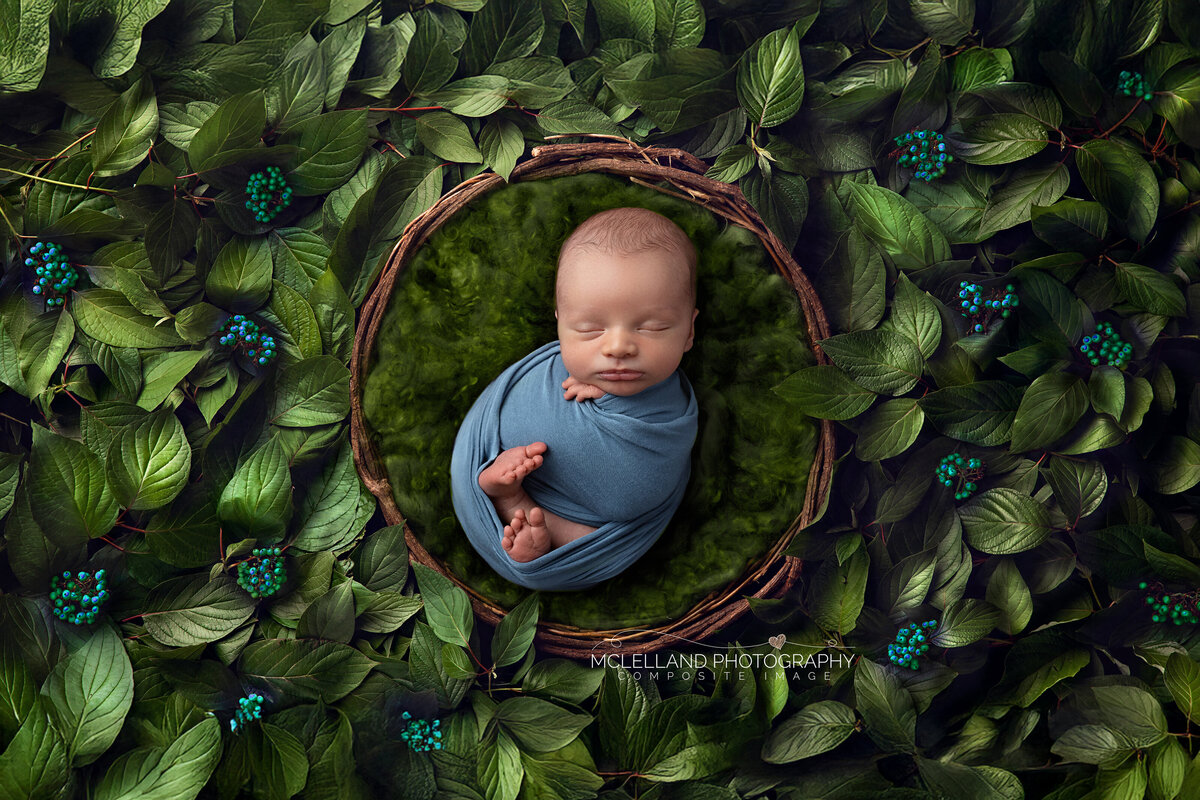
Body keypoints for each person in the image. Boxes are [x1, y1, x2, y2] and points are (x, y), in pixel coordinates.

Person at [472, 207, 700, 564]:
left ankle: (516, 505)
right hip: (510, 449)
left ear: (689, 331)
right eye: (590, 330)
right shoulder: (553, 370)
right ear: (560, 323)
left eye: (652, 327)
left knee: (597, 541)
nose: (617, 348)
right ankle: (507, 496)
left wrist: (615, 395)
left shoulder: (671, 406)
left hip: (593, 523)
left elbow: (664, 448)